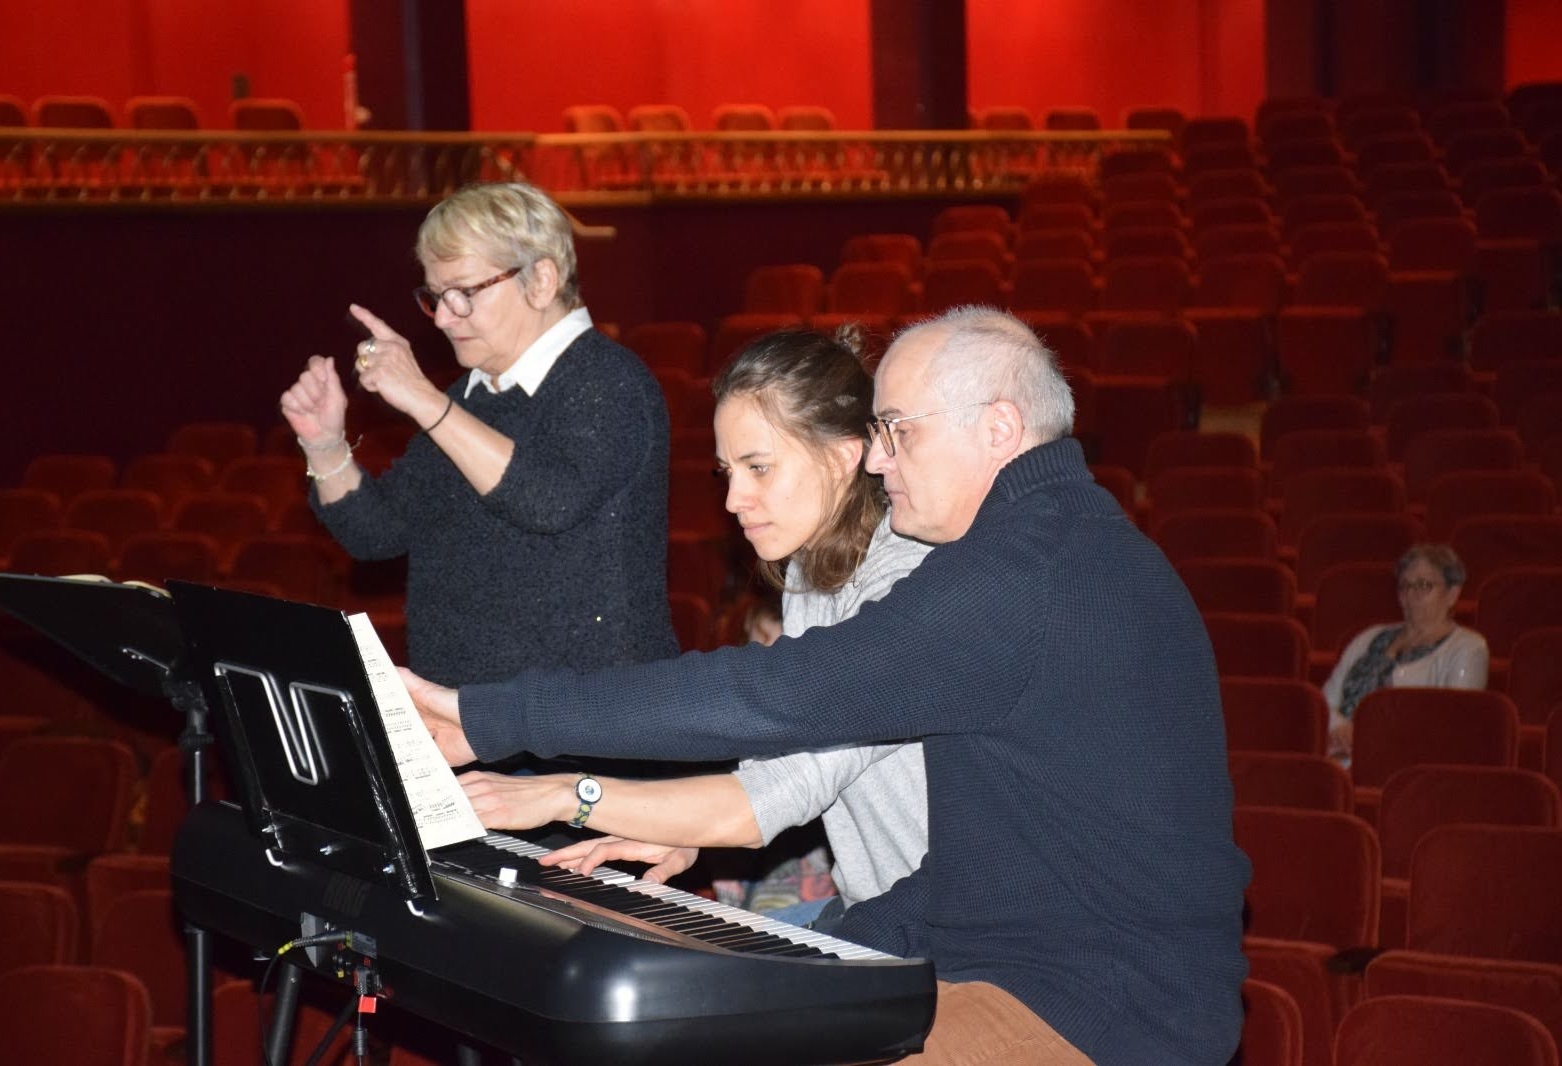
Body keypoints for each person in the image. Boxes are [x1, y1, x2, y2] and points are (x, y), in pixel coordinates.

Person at [406, 306, 1249, 1065]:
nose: (878, 460)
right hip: (1011, 957)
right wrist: (784, 953)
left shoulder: (1024, 576)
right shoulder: (1046, 548)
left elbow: (779, 696)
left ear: (999, 429)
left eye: (897, 432)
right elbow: (977, 872)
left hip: (1104, 1010)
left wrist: (496, 718)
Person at [454, 329, 932, 932]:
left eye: (759, 468)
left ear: (841, 456)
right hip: (881, 914)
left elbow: (795, 780)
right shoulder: (812, 568)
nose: (734, 498)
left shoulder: (907, 583)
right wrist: (684, 835)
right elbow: (780, 760)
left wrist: (567, 793)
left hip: (957, 940)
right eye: (727, 472)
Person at [278, 181, 677, 686]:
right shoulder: (472, 396)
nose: (444, 318)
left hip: (583, 727)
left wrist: (425, 400)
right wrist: (325, 443)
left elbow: (548, 501)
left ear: (541, 281)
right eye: (436, 297)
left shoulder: (608, 380)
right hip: (473, 724)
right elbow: (375, 533)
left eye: (464, 293)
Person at [1322, 543, 1489, 762]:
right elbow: (1324, 700)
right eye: (1404, 586)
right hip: (1338, 753)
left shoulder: (1468, 648)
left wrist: (1363, 740)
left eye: (1423, 585)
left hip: (1405, 764)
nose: (1410, 595)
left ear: (1452, 594)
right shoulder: (1369, 637)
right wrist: (1340, 728)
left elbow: (1450, 726)